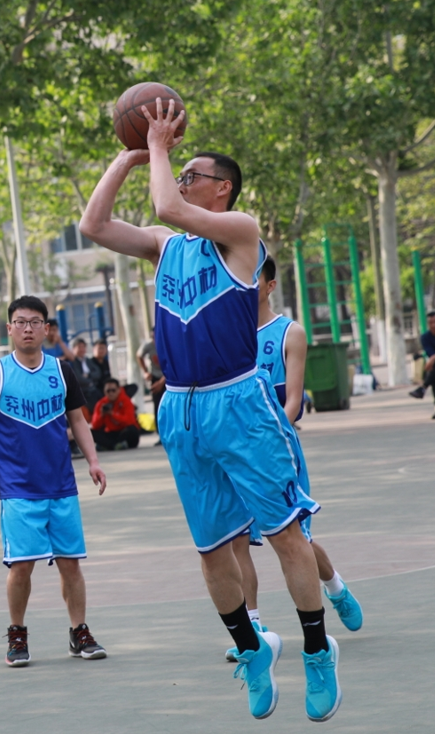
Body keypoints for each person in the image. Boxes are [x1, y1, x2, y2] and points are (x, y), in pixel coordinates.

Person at [79, 98, 341, 723]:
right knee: (212, 549)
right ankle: (252, 648)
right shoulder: (166, 247)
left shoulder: (242, 233)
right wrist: (129, 155)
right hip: (181, 407)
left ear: (221, 188)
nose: (180, 178)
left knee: (284, 535)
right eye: (178, 170)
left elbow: (167, 205)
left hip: (239, 402)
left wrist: (158, 146)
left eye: (192, 174)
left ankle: (316, 650)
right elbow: (94, 225)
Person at [225, 255, 363, 662]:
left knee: (294, 538)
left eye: (253, 279)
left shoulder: (290, 332)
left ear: (269, 286)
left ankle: (335, 587)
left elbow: (293, 403)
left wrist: (265, 436)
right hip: (233, 451)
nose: (243, 285)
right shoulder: (227, 334)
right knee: (237, 540)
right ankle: (253, 628)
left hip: (275, 449)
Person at [1, 295, 107, 666]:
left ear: (46, 329)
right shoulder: (2, 372)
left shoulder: (61, 371)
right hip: (17, 487)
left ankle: (80, 632)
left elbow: (78, 419)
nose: (27, 328)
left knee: (70, 564)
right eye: (20, 322)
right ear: (10, 328)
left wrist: (93, 461)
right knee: (21, 566)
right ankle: (17, 633)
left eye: (35, 322)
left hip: (61, 485)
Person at [91, 378, 140, 451]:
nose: (111, 393)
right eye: (108, 391)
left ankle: (109, 445)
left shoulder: (126, 401)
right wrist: (102, 415)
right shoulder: (101, 404)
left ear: (119, 390)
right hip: (111, 433)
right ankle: (114, 445)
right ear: (104, 391)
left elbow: (130, 421)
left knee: (132, 430)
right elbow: (95, 426)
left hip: (123, 432)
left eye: (113, 390)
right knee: (90, 433)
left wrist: (112, 414)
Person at [136, 327, 166, 445]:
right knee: (157, 406)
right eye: (152, 337)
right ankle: (161, 434)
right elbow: (139, 355)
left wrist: (161, 382)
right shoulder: (148, 346)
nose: (154, 340)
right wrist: (145, 372)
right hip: (155, 377)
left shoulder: (167, 344)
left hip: (168, 378)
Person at [409, 310, 435, 417]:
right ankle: (423, 388)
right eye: (430, 323)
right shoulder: (425, 337)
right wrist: (431, 361)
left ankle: (423, 387)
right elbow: (430, 352)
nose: (433, 325)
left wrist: (431, 362)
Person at [71, 337, 102, 418]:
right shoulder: (73, 362)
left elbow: (98, 373)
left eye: (83, 347)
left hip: (93, 389)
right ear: (74, 348)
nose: (82, 349)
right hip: (83, 391)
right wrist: (91, 380)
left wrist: (89, 375)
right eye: (79, 347)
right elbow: (79, 379)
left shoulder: (88, 360)